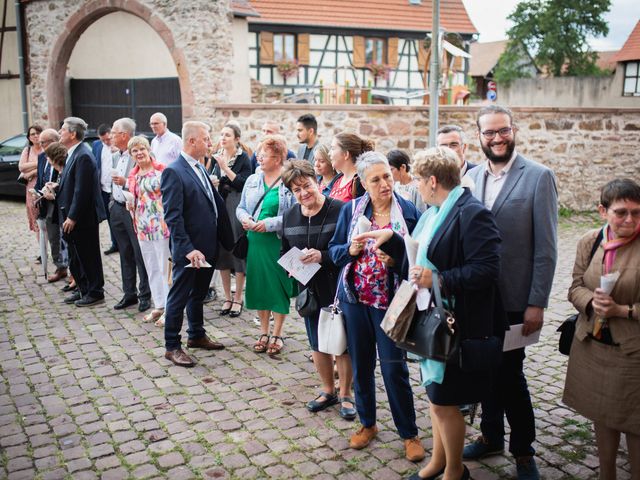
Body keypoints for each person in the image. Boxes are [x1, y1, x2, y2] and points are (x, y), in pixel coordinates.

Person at [356, 147, 504, 480]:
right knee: (437, 398)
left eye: (420, 180)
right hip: (431, 321)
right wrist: (393, 243)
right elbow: (419, 254)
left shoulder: (471, 212)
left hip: (458, 324)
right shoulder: (435, 211)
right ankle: (437, 462)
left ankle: (454, 471)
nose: (416, 185)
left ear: (433, 181)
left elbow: (487, 271)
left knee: (443, 402)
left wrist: (437, 278)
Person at [464, 105, 558, 480]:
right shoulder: (470, 177)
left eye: (503, 131)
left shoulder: (538, 177)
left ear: (514, 130)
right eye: (489, 133)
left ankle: (523, 450)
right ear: (480, 137)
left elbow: (547, 248)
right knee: (484, 371)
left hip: (516, 300)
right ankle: (490, 437)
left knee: (511, 376)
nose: (497, 138)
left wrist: (537, 302)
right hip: (477, 298)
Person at [328, 151, 425, 462]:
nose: (385, 183)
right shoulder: (352, 211)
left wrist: (396, 261)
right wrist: (351, 249)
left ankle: (409, 433)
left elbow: (419, 261)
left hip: (391, 303)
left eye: (387, 176)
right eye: (376, 179)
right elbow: (334, 252)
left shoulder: (408, 211)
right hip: (355, 300)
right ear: (363, 183)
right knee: (362, 365)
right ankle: (367, 423)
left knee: (394, 368)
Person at [564, 178, 640, 480]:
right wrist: (591, 303)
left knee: (635, 422)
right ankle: (606, 474)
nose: (630, 220)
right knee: (603, 415)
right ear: (602, 211)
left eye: (637, 212)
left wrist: (624, 310)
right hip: (593, 345)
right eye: (621, 212)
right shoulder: (590, 241)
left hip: (632, 350)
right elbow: (575, 287)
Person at [280, 160, 355, 419]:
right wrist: (290, 267)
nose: (303, 194)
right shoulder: (290, 215)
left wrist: (322, 256)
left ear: (318, 182)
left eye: (306, 186)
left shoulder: (341, 210)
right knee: (317, 343)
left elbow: (351, 251)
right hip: (309, 289)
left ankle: (346, 393)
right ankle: (327, 389)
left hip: (339, 288)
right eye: (296, 190)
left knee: (342, 344)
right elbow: (284, 250)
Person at [160, 121, 234, 368]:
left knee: (198, 294)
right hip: (190, 250)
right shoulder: (174, 171)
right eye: (206, 139)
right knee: (179, 297)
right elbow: (173, 216)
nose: (210, 143)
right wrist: (188, 248)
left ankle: (196, 335)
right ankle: (172, 346)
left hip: (208, 246)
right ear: (192, 141)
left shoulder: (200, 168)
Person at [237, 135, 296, 357]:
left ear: (279, 157)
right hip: (255, 241)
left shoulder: (288, 182)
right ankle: (263, 331)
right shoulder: (253, 179)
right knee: (259, 285)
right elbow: (241, 207)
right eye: (259, 153)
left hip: (277, 242)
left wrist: (269, 224)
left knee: (277, 287)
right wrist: (244, 219)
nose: (259, 157)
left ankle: (278, 333)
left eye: (265, 154)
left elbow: (294, 215)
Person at [56, 117, 107, 307]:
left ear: (72, 133)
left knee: (88, 255)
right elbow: (72, 184)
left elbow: (82, 191)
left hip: (82, 218)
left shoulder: (83, 155)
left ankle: (95, 292)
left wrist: (72, 216)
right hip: (72, 215)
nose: (60, 132)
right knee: (76, 256)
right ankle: (83, 289)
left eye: (62, 129)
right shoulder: (73, 153)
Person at [126, 136, 170, 325]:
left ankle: (171, 307)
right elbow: (134, 198)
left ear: (148, 150)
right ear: (131, 154)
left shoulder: (162, 170)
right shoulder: (133, 175)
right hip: (142, 226)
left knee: (165, 267)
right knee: (151, 266)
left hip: (161, 225)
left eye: (142, 148)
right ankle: (159, 304)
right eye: (135, 151)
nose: (139, 153)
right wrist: (130, 203)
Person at [209, 123, 252, 318]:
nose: (223, 138)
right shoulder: (216, 155)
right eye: (222, 134)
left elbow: (244, 183)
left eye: (227, 135)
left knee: (236, 251)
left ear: (236, 138)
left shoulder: (244, 158)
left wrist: (225, 168)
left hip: (236, 205)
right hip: (219, 205)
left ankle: (238, 298)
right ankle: (227, 296)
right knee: (222, 251)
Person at [109, 118, 152, 313]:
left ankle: (145, 295)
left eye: (114, 132)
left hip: (133, 209)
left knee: (139, 253)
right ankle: (129, 293)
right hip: (117, 207)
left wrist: (125, 181)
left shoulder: (140, 155)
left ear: (124, 135)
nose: (111, 135)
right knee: (124, 252)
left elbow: (146, 182)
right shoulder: (116, 156)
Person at [35, 129, 67, 283]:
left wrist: (54, 191)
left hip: (59, 202)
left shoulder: (62, 155)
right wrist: (37, 191)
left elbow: (65, 180)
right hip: (45, 202)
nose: (40, 145)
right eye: (39, 142)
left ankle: (69, 268)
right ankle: (59, 267)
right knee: (53, 236)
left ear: (54, 141)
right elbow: (41, 178)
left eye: (43, 142)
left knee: (64, 237)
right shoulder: (42, 157)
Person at [92, 123, 119, 255]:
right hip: (103, 189)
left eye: (108, 139)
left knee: (119, 218)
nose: (107, 142)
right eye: (103, 140)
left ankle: (123, 243)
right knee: (109, 218)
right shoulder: (96, 145)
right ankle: (115, 244)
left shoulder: (119, 146)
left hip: (116, 189)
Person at [19, 124, 44, 256]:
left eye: (37, 133)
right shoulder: (27, 151)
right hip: (31, 189)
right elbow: (22, 167)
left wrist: (32, 171)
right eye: (32, 134)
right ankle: (42, 251)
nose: (35, 136)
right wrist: (40, 163)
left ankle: (54, 249)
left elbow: (49, 166)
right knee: (36, 220)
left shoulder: (47, 149)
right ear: (29, 137)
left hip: (44, 187)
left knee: (47, 220)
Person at [328, 132, 370, 201]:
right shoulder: (337, 179)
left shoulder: (360, 183)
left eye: (333, 148)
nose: (329, 153)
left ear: (346, 154)